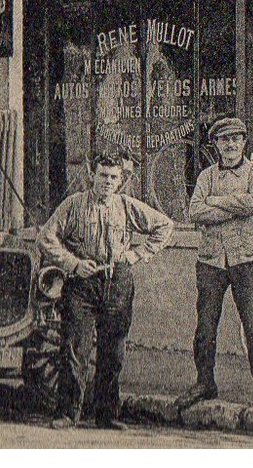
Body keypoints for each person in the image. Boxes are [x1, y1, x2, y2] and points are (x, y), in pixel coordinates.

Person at [39, 148, 173, 430]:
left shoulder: (126, 206)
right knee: (75, 349)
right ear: (92, 175)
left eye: (113, 177)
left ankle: (107, 415)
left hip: (118, 282)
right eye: (102, 175)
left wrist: (136, 255)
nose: (108, 182)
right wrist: (74, 264)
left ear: (120, 179)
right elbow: (46, 238)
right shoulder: (73, 205)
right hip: (81, 284)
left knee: (113, 352)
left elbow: (164, 225)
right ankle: (68, 414)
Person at [177, 117, 253, 409]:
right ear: (216, 145)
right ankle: (205, 382)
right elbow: (195, 211)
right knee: (205, 326)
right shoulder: (206, 176)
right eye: (224, 140)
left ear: (244, 142)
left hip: (249, 258)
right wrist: (234, 205)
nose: (230, 145)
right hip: (211, 260)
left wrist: (217, 202)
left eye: (236, 139)